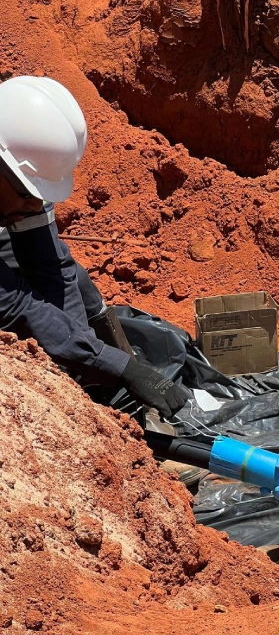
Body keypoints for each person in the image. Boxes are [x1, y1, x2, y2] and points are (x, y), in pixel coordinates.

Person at [0, 75, 189, 423]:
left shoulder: (19, 179)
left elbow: (52, 267)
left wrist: (90, 364)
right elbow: (16, 306)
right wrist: (117, 367)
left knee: (75, 284)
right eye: (28, 192)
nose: (35, 205)